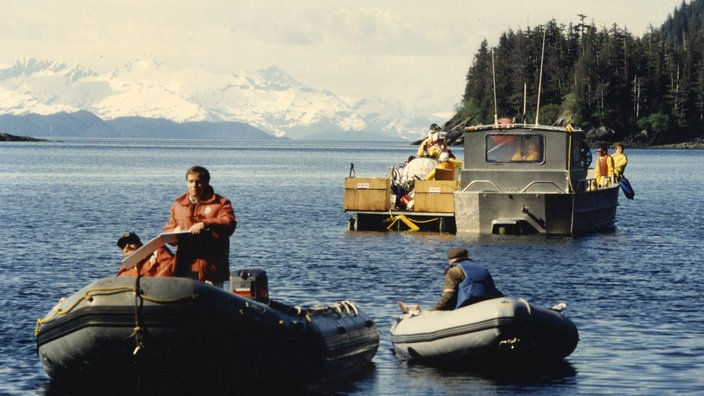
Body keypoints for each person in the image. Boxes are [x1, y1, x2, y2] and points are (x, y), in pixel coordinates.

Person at [163, 166, 237, 287]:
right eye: (191, 181)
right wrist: (174, 232)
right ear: (186, 182)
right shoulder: (178, 206)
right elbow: (167, 232)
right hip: (184, 268)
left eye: (198, 182)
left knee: (211, 305)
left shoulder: (221, 203)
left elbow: (229, 224)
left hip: (210, 270)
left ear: (206, 183)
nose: (194, 185)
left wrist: (206, 224)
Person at [398, 247, 503, 313]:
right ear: (467, 257)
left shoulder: (453, 271)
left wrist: (433, 311)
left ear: (450, 261)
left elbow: (447, 297)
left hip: (467, 309)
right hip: (488, 308)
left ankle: (415, 311)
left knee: (434, 312)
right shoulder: (483, 269)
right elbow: (495, 292)